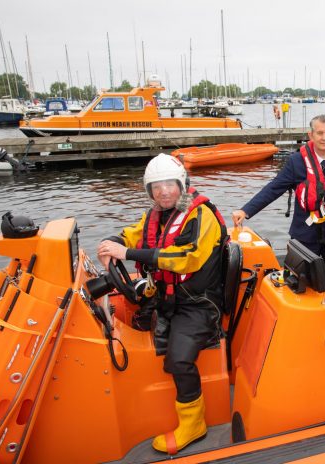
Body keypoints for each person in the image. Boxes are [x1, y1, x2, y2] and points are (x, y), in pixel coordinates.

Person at [98, 153, 226, 454]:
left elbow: (186, 259)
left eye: (169, 184)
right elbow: (136, 233)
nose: (163, 192)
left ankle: (194, 424)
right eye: (156, 187)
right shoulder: (158, 212)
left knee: (179, 360)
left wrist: (127, 254)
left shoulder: (202, 215)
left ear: (182, 184)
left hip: (199, 304)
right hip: (169, 297)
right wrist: (112, 241)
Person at [232, 114, 325, 263]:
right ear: (311, 135)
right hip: (306, 234)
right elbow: (273, 189)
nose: (324, 138)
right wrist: (246, 210)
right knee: (299, 279)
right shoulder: (296, 161)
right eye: (319, 133)